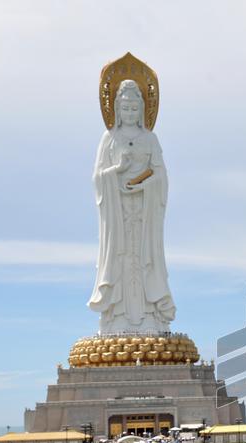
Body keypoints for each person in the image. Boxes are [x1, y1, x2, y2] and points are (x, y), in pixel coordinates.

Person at [89, 79, 175, 334]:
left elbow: (161, 176)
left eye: (133, 108)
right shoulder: (109, 138)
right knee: (120, 258)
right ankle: (117, 318)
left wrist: (145, 185)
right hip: (118, 216)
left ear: (142, 109)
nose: (129, 113)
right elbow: (97, 178)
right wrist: (117, 170)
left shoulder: (150, 139)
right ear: (116, 109)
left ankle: (150, 314)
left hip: (145, 214)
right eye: (125, 108)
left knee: (145, 258)